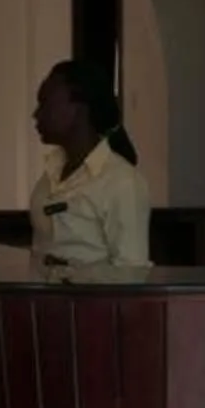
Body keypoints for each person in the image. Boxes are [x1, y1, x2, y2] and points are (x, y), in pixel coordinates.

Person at [28, 59, 151, 274]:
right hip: (44, 303)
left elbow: (132, 274)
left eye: (45, 103)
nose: (36, 114)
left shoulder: (122, 182)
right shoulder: (50, 174)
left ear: (78, 109)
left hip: (90, 306)